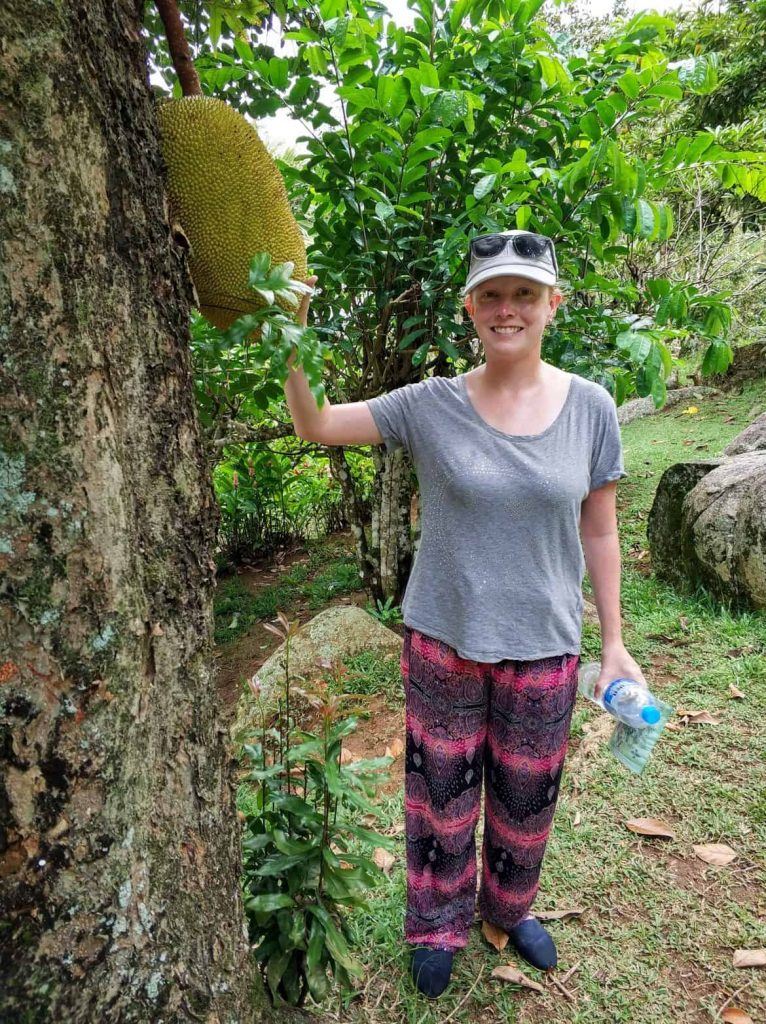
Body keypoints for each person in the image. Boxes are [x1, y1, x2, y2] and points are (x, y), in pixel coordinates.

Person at [284, 230, 646, 1000]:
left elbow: (600, 527)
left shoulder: (591, 407)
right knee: (439, 798)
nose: (506, 308)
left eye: (524, 293)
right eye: (491, 294)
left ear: (553, 303)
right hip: (444, 641)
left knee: (526, 800)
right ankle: (436, 923)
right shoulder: (430, 404)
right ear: (468, 307)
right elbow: (316, 424)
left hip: (546, 648)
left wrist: (614, 643)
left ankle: (509, 911)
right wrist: (295, 329)